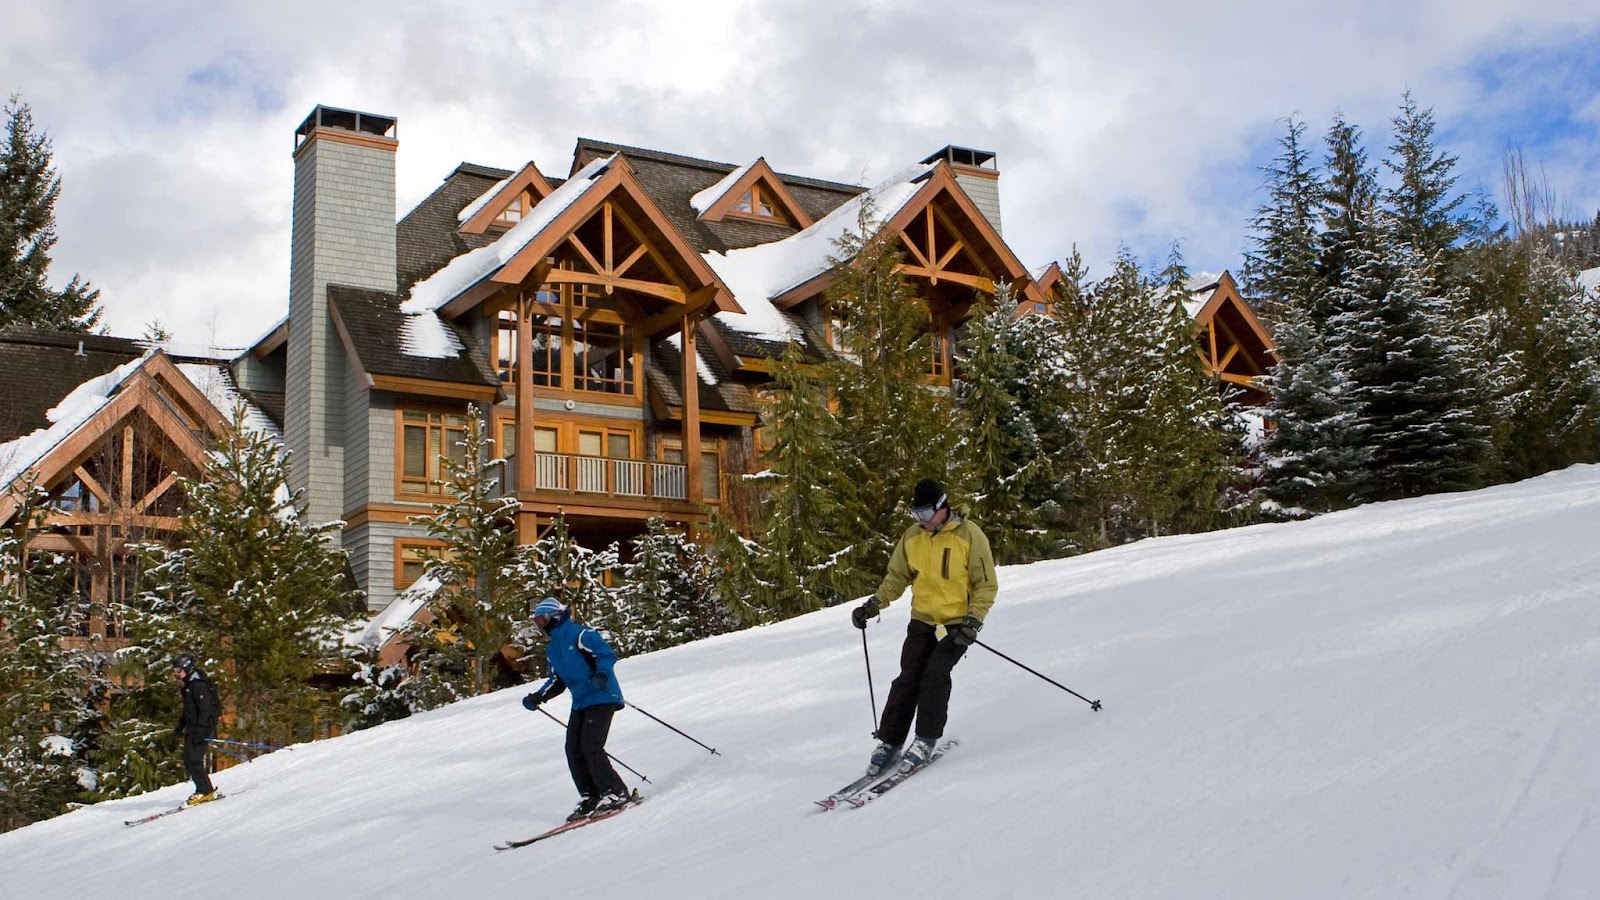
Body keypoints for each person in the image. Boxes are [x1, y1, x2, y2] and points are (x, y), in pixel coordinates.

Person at [852, 477, 997, 776]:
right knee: (907, 678)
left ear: (943, 507)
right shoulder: (912, 537)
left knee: (934, 674)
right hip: (922, 620)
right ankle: (890, 742)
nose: (922, 520)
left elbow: (986, 585)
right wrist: (874, 604)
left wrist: (973, 620)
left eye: (926, 513)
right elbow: (896, 577)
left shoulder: (970, 535)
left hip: (957, 624)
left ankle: (925, 739)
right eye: (916, 514)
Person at [521, 598, 633, 821]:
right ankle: (590, 795)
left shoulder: (581, 634)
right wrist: (538, 697)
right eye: (537, 622)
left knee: (591, 746)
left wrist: (602, 674)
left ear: (555, 617)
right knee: (573, 749)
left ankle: (616, 792)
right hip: (581, 702)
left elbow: (606, 654)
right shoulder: (553, 649)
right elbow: (557, 681)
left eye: (542, 620)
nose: (540, 626)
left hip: (602, 695)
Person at [171, 652, 220, 806]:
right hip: (193, 727)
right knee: (189, 759)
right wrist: (181, 726)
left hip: (202, 728)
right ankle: (204, 789)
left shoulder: (198, 685)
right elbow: (189, 710)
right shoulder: (188, 685)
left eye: (179, 670)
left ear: (188, 667)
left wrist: (201, 730)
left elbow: (205, 710)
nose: (177, 673)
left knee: (193, 759)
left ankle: (205, 791)